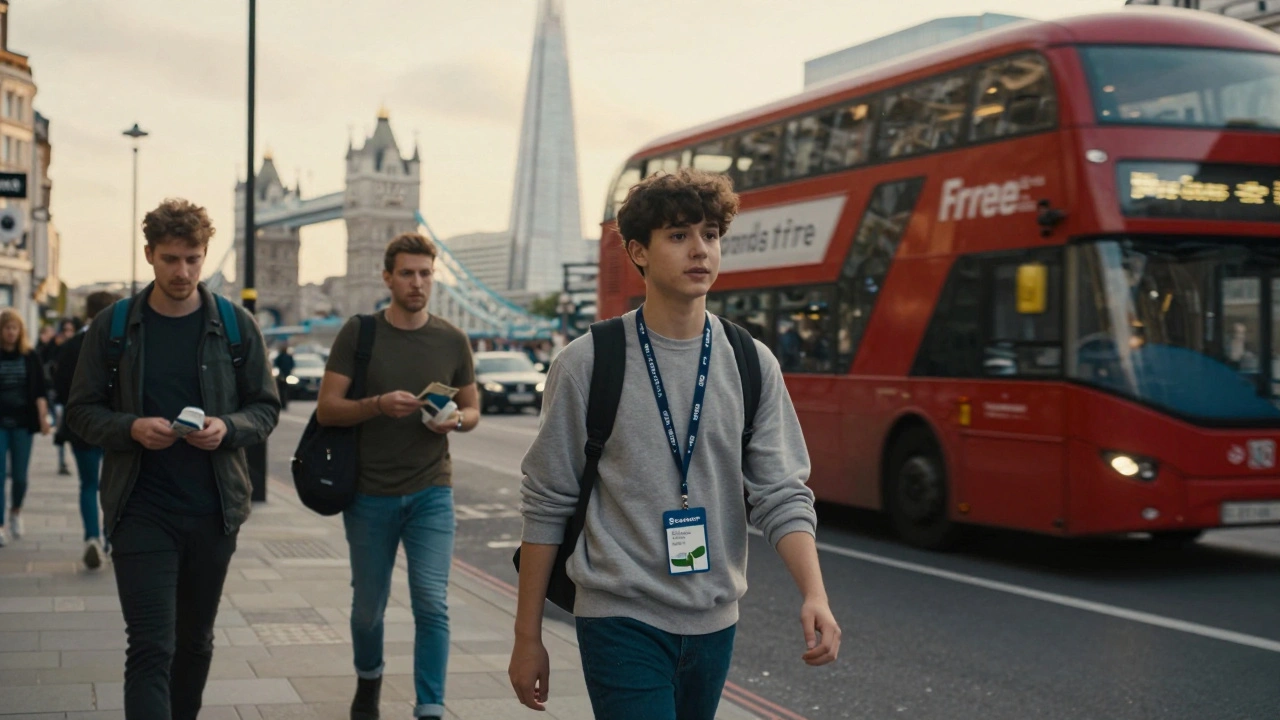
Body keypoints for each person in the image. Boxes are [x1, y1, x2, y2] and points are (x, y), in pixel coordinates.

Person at [509, 169, 841, 720]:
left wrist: (815, 594)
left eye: (710, 235)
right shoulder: (587, 363)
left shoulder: (751, 362)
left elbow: (782, 491)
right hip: (620, 616)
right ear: (638, 252)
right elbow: (546, 504)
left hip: (715, 619)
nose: (700, 251)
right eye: (679, 236)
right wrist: (528, 637)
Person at [67, 198, 280, 720]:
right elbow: (81, 411)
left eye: (193, 259)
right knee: (150, 646)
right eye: (170, 259)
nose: (182, 271)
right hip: (140, 507)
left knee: (196, 642)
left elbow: (266, 408)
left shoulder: (235, 325)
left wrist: (228, 427)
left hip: (213, 511)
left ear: (204, 255)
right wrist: (131, 427)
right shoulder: (113, 326)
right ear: (149, 255)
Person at [316, 232, 480, 720]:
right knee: (368, 609)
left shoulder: (452, 338)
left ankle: (430, 705)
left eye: (425, 273)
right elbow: (327, 409)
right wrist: (377, 405)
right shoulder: (359, 333)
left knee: (432, 602)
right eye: (407, 273)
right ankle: (369, 681)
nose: (417, 282)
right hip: (368, 494)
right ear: (387, 277)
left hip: (432, 490)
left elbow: (472, 409)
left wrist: (455, 420)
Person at [53, 291, 119, 568]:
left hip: (82, 425)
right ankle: (112, 537)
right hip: (117, 427)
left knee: (88, 484)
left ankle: (92, 537)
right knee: (116, 485)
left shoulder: (71, 346)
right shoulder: (120, 343)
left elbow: (60, 388)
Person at [0, 308, 53, 546]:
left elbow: (39, 391)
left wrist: (43, 418)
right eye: (6, 328)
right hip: (0, 424)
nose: (11, 332)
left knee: (20, 477)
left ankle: (16, 512)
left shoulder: (30, 355)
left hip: (23, 424)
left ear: (20, 331)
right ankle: (0, 525)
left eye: (14, 328)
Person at [273, 343, 295, 411]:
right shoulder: (281, 356)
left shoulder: (287, 357)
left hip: (286, 375)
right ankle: (282, 404)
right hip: (281, 376)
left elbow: (292, 365)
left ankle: (284, 404)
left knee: (285, 391)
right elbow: (276, 364)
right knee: (281, 391)